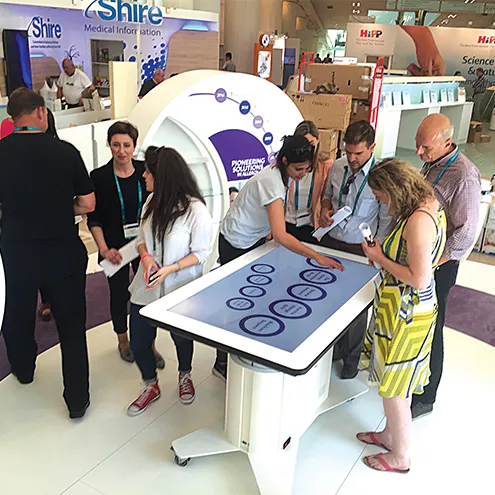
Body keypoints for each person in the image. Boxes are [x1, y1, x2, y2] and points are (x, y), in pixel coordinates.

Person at [215, 134, 344, 380]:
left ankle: (245, 348)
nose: (302, 174)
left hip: (252, 239)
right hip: (235, 242)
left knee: (253, 297)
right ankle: (222, 361)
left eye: (307, 169)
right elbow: (282, 235)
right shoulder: (272, 182)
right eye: (298, 169)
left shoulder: (279, 176)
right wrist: (316, 256)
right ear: (284, 161)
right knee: (236, 302)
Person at [0, 88, 95, 419]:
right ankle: (77, 401)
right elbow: (88, 203)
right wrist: (58, 207)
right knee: (71, 325)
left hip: (16, 251)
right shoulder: (65, 152)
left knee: (17, 312)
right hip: (62, 251)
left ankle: (24, 370)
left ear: (12, 118)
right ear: (41, 112)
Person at [357, 158, 446, 474]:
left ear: (395, 189)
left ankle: (401, 455)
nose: (382, 202)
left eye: (382, 196)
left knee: (395, 388)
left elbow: (419, 277)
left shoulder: (418, 221)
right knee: (399, 383)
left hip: (407, 315)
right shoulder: (427, 204)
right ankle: (389, 435)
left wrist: (380, 258)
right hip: (404, 309)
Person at [126, 147, 213, 415]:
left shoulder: (195, 210)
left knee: (181, 338)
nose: (143, 175)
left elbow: (202, 253)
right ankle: (150, 384)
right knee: (139, 339)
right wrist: (146, 258)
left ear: (161, 175)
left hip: (179, 287)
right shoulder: (150, 202)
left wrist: (171, 268)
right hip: (148, 285)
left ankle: (184, 375)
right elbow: (141, 240)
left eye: (148, 171)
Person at [412, 114, 481, 419]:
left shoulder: (464, 175)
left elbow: (466, 231)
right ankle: (412, 379)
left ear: (446, 142)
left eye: (424, 147)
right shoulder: (433, 163)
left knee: (432, 324)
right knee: (416, 321)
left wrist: (434, 263)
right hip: (422, 255)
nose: (419, 153)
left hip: (439, 263)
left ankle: (426, 396)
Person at [319, 121, 395, 379]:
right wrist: (325, 208)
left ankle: (351, 359)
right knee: (329, 299)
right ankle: (334, 349)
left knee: (356, 307)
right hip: (331, 241)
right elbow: (328, 194)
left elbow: (385, 219)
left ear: (372, 148)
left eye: (358, 154)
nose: (351, 158)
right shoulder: (339, 167)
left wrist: (378, 254)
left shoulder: (381, 176)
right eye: (348, 152)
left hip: (360, 249)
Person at [88, 121, 164, 367]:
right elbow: (94, 218)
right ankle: (123, 340)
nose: (121, 150)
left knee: (148, 292)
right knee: (119, 295)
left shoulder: (146, 171)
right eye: (116, 145)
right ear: (109, 145)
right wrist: (103, 249)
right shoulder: (99, 177)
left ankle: (149, 344)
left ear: (134, 146)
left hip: (146, 246)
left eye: (127, 145)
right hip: (115, 249)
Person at [285, 120, 333, 244]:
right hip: (286, 223)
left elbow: (326, 197)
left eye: (311, 145)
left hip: (310, 226)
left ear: (318, 140)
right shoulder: (286, 165)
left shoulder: (325, 166)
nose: (308, 151)